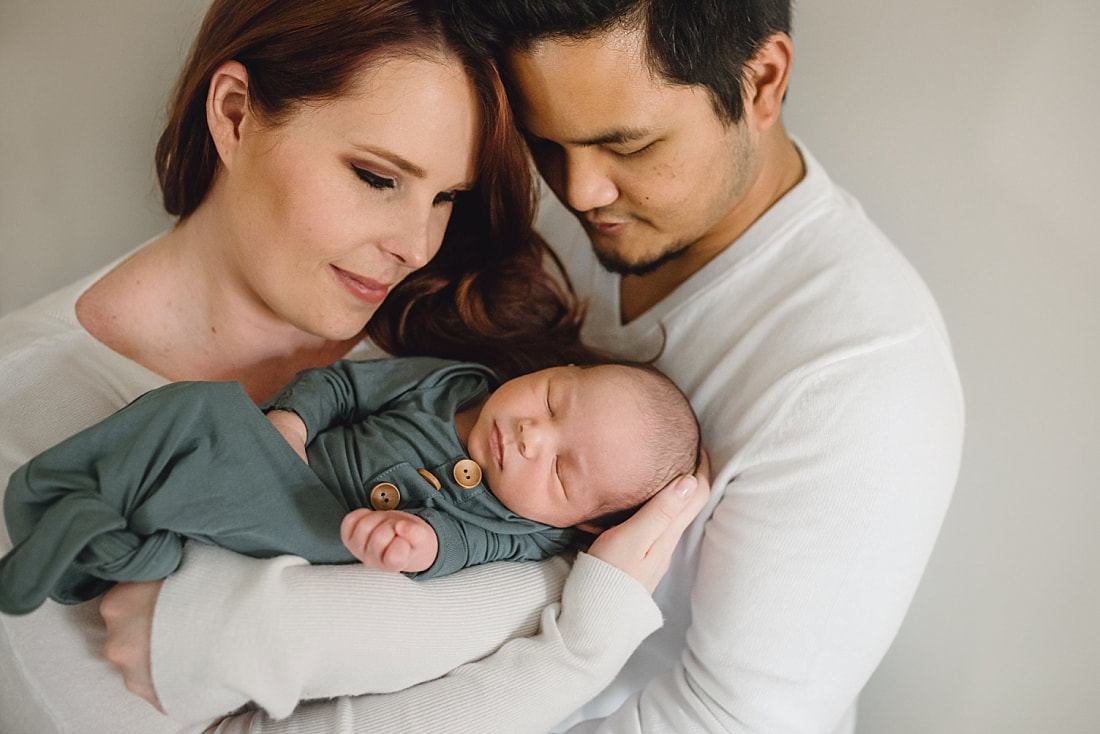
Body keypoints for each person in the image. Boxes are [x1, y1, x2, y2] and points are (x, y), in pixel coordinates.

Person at [98, 1, 966, 732]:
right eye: (551, 144)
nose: (580, 191)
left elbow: (726, 721)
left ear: (763, 81)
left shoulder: (859, 381)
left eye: (626, 146)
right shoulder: (567, 216)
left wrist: (255, 650)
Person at [0, 0, 707, 731]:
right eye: (377, 177)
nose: (418, 246)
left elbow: (549, 552)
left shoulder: (474, 342)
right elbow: (540, 601)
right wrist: (566, 644)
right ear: (236, 114)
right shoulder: (18, 407)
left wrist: (241, 627)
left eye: (447, 198)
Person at [1, 356, 700, 617]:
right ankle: (101, 529)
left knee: (202, 421)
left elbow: (466, 544)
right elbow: (343, 383)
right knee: (196, 409)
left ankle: (66, 511)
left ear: (579, 523)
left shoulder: (526, 529)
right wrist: (293, 421)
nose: (529, 436)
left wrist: (416, 540)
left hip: (323, 530)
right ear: (554, 367)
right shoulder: (457, 382)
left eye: (560, 469)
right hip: (289, 466)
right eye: (551, 400)